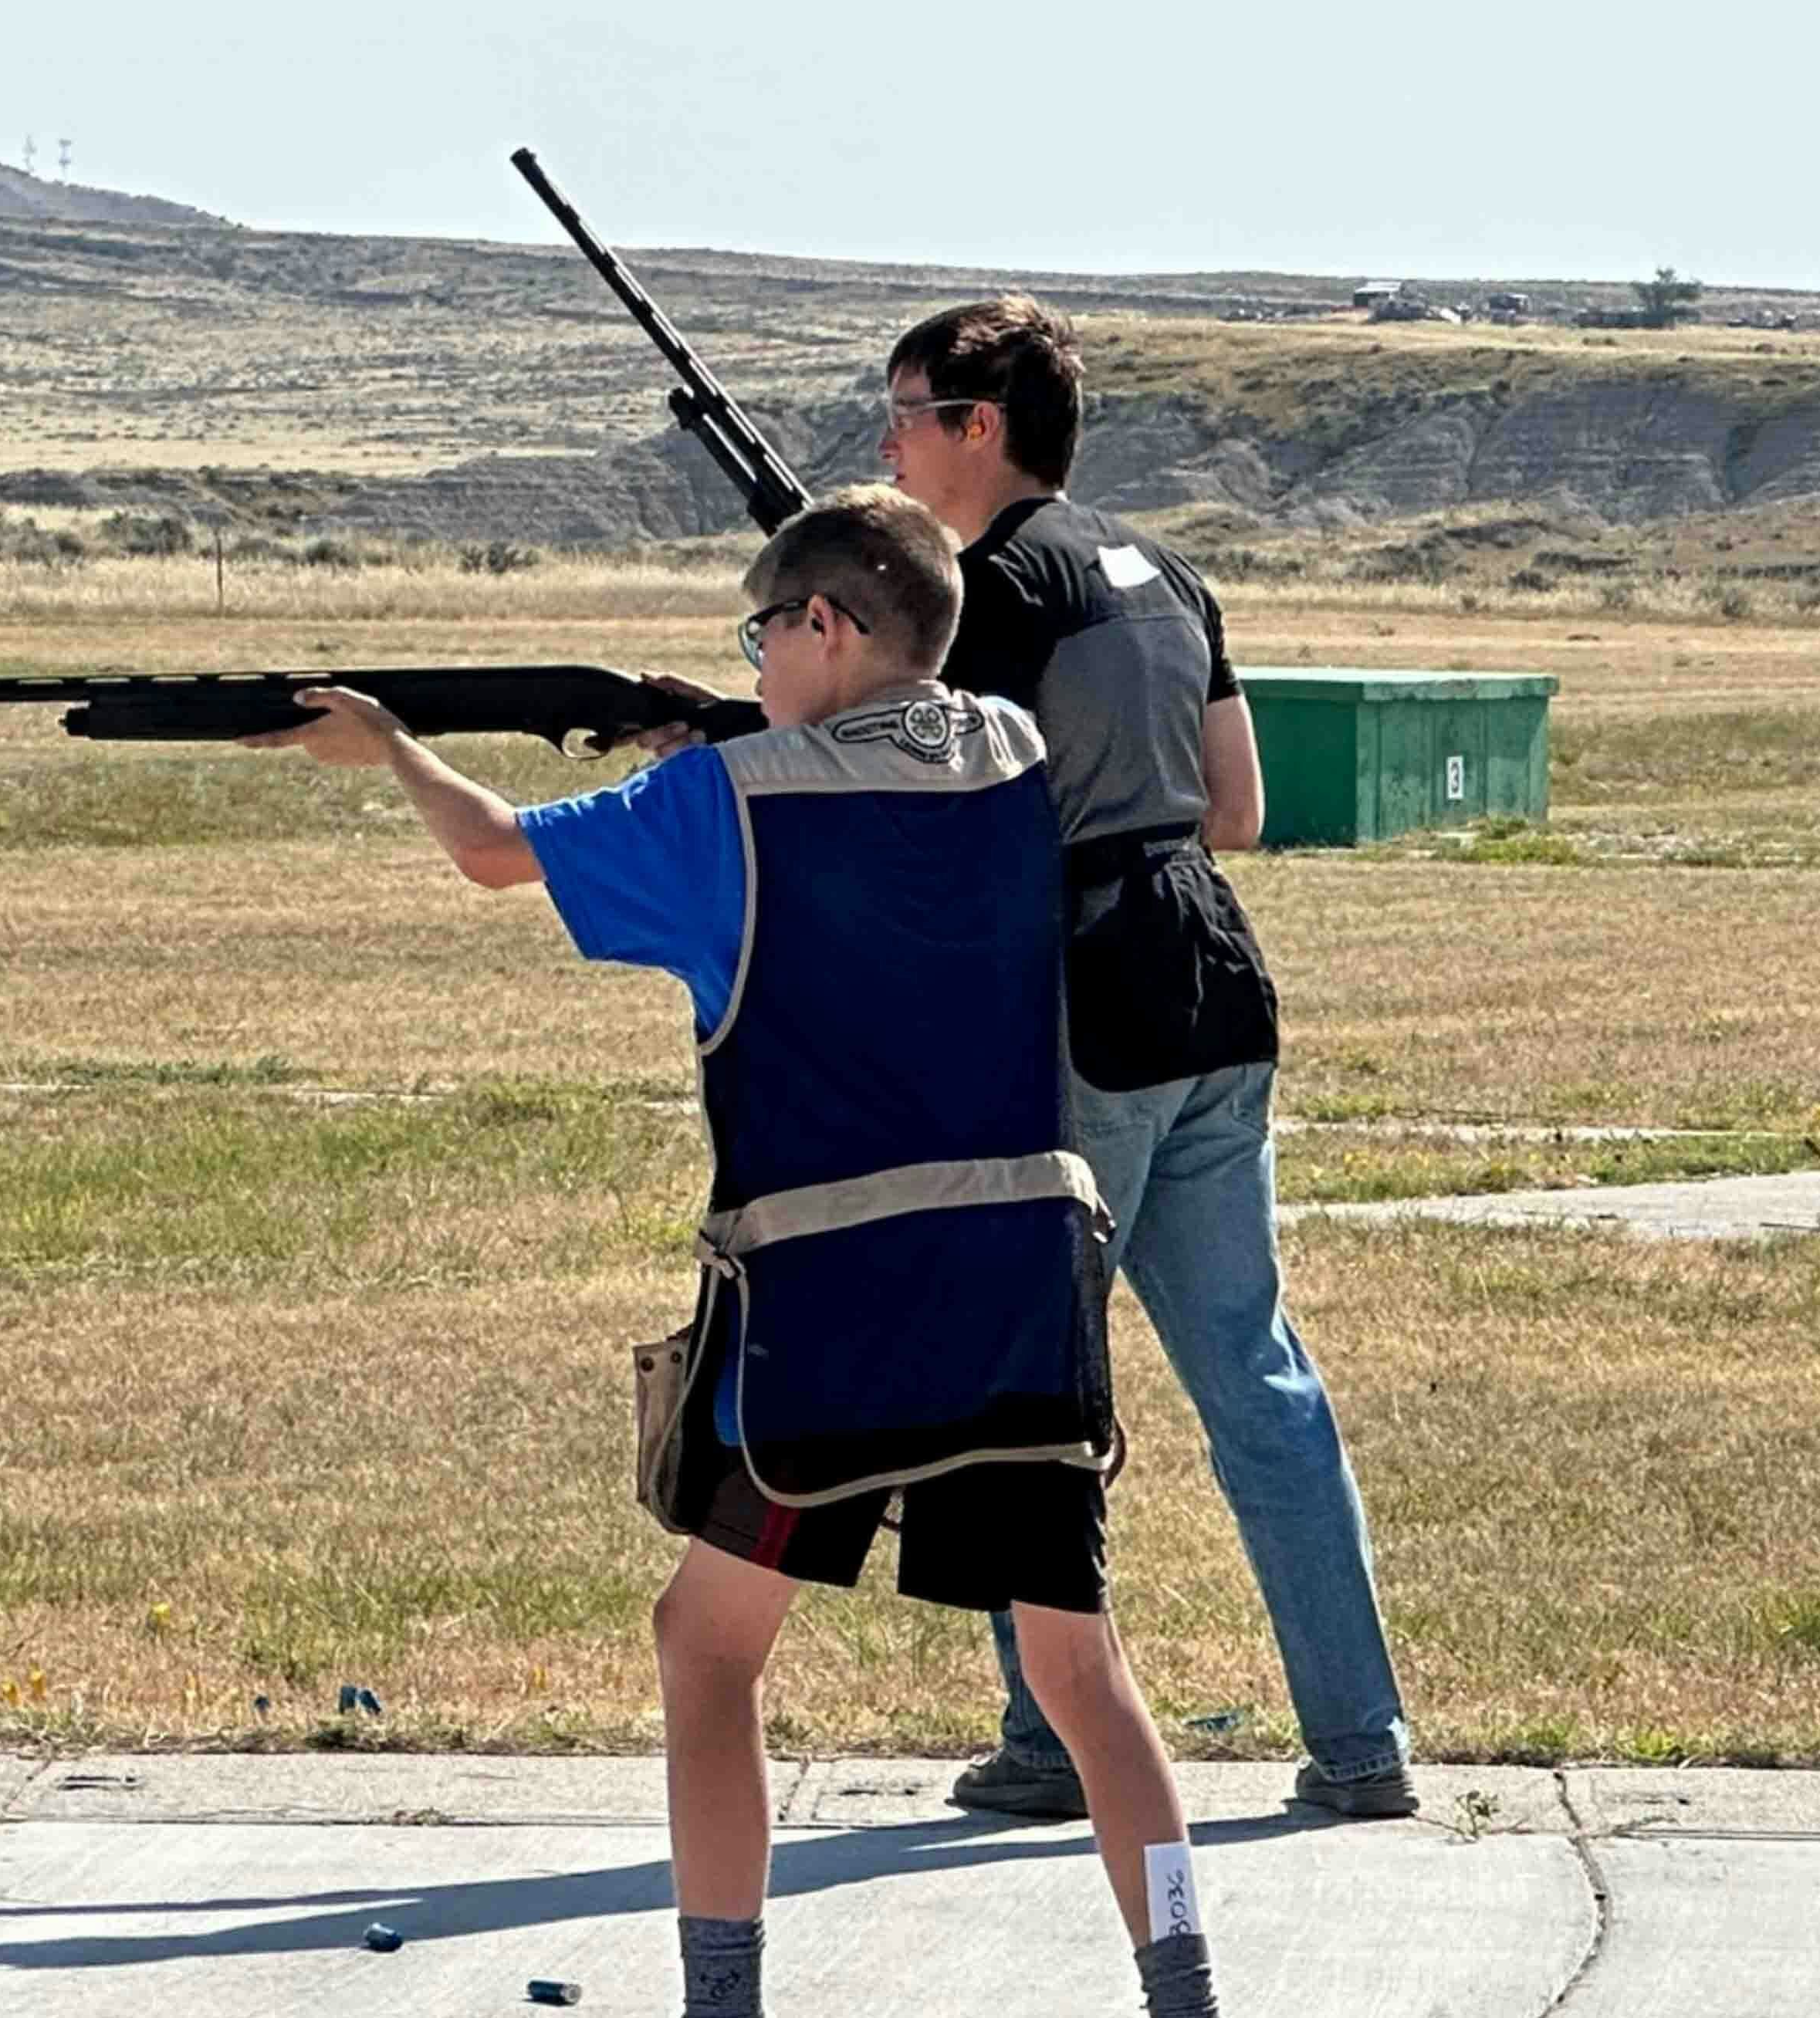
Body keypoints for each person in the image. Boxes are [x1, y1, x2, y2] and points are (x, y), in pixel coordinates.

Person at [251, 485, 1222, 2018]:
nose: (757, 661)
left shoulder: (724, 808)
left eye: (768, 632)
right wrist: (735, 731)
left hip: (821, 1324)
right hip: (1022, 1307)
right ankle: (1185, 1987)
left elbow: (499, 853)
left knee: (705, 1653)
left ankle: (725, 2003)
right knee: (1084, 1683)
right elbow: (894, 748)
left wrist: (390, 750)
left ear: (826, 626)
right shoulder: (1015, 757)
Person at [881, 296, 1413, 1821]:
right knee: (1258, 1374)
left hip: (1079, 1006)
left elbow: (940, 811)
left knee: (1020, 1390)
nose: (891, 440)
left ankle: (1052, 1742)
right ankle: (1361, 1745)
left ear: (981, 427)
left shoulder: (987, 590)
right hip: (1213, 981)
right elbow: (1232, 808)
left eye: (907, 409)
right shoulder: (1169, 570)